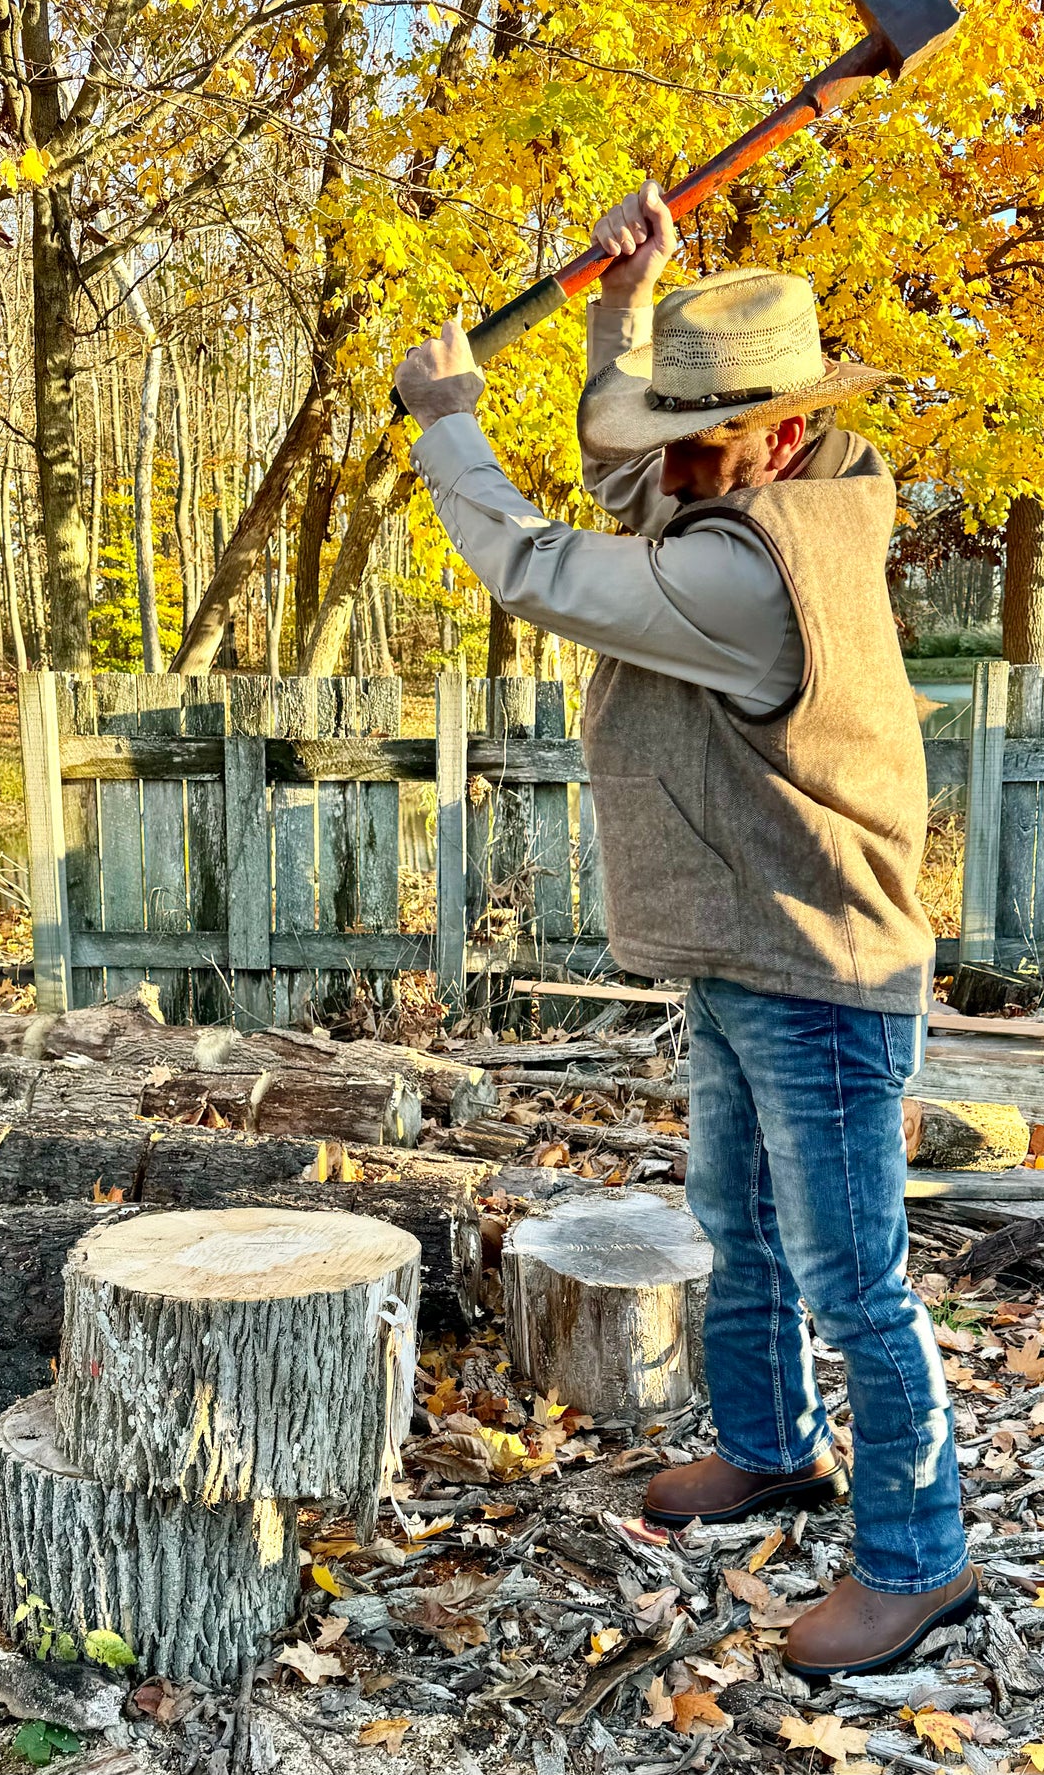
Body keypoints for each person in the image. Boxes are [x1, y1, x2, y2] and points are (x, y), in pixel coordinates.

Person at [393, 181, 976, 1677]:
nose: (666, 467)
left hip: (819, 969)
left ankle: (919, 1562)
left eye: (701, 440)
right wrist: (623, 304)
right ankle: (774, 1452)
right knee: (739, 1230)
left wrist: (448, 424)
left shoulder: (747, 572)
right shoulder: (764, 492)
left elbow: (535, 563)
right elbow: (622, 457)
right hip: (742, 944)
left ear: (781, 432)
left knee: (855, 1283)